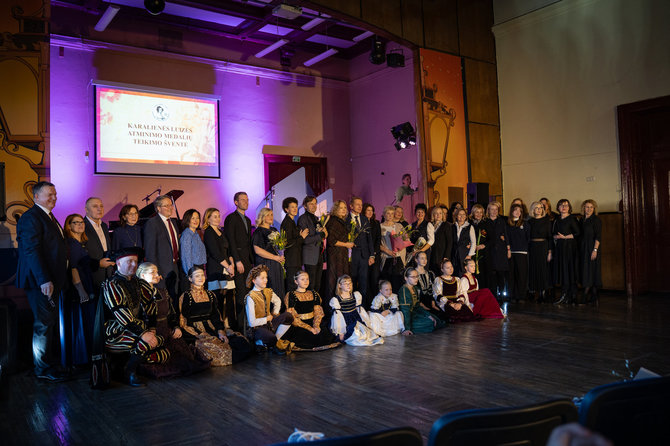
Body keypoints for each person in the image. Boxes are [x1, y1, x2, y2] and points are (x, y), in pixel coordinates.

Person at [16, 181, 69, 382]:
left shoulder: (48, 216)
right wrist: (44, 280)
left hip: (51, 281)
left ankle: (48, 364)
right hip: (41, 283)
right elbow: (31, 251)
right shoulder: (31, 217)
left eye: (55, 194)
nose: (54, 197)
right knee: (43, 326)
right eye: (49, 194)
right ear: (35, 197)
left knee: (48, 324)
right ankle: (42, 369)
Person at [102, 246, 169, 387]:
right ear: (119, 263)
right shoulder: (111, 284)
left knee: (163, 348)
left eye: (135, 261)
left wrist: (151, 329)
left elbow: (151, 307)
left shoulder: (140, 283)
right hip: (116, 331)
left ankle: (125, 363)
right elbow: (121, 314)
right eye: (129, 261)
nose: (133, 265)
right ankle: (129, 372)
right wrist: (144, 333)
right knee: (145, 343)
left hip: (137, 328)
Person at [136, 262, 211, 377]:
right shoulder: (138, 295)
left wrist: (176, 327)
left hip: (167, 329)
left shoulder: (163, 292)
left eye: (157, 272)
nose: (157, 275)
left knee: (185, 357)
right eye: (152, 272)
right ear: (142, 276)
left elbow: (172, 313)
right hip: (151, 332)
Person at [179, 265, 252, 365]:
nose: (201, 278)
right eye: (197, 276)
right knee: (213, 348)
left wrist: (221, 331)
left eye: (202, 275)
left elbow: (216, 315)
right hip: (194, 332)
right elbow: (183, 320)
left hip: (212, 328)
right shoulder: (186, 296)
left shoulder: (210, 295)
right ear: (190, 278)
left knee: (241, 342)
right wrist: (199, 334)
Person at [62, 213, 96, 366]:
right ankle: (80, 359)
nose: (81, 225)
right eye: (76, 223)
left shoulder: (78, 243)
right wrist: (81, 290)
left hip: (85, 284)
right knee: (80, 322)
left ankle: (83, 357)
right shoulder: (72, 244)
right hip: (78, 288)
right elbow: (73, 269)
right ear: (69, 226)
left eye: (82, 222)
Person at [244, 265, 295, 354]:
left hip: (269, 324)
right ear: (254, 281)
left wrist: (275, 313)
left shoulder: (268, 291)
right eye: (262, 278)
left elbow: (278, 301)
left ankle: (273, 341)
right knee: (270, 337)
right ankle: (262, 342)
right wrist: (266, 319)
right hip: (257, 329)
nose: (265, 280)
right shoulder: (251, 297)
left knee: (289, 316)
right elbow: (252, 322)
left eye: (266, 277)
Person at [284, 271, 340, 351]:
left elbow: (318, 312)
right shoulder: (291, 295)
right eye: (302, 279)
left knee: (324, 335)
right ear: (296, 281)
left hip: (313, 321)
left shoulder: (313, 293)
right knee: (305, 336)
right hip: (299, 324)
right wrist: (309, 328)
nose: (306, 281)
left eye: (307, 279)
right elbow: (292, 316)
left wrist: (316, 326)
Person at [224, 191, 254, 330]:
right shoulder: (231, 218)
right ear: (236, 202)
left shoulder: (247, 220)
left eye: (247, 200)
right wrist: (237, 260)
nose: (246, 202)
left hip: (247, 260)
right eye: (242, 200)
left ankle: (249, 323)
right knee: (241, 293)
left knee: (248, 292)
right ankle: (241, 327)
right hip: (239, 261)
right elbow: (231, 241)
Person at [202, 207, 236, 328]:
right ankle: (219, 327)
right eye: (214, 216)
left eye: (218, 216)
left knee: (229, 299)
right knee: (218, 300)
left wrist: (231, 265)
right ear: (208, 218)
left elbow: (229, 251)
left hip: (227, 268)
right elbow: (215, 253)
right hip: (216, 269)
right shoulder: (209, 232)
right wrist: (228, 267)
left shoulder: (221, 232)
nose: (218, 218)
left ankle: (228, 326)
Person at [143, 195, 181, 303]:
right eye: (166, 206)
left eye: (171, 205)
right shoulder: (152, 223)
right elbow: (150, 250)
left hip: (174, 267)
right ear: (158, 208)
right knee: (163, 301)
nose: (170, 208)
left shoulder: (173, 222)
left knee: (174, 297)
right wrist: (155, 271)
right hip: (161, 270)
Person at [329, 275, 383, 346]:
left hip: (356, 319)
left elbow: (361, 311)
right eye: (345, 283)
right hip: (345, 321)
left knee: (365, 333)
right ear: (339, 285)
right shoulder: (336, 300)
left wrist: (367, 324)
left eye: (350, 283)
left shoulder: (355, 296)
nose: (349, 285)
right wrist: (341, 332)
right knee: (355, 335)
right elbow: (337, 318)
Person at [252, 207, 285, 303]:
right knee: (270, 286)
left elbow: (279, 246)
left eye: (272, 215)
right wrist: (275, 257)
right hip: (266, 263)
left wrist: (281, 255)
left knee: (279, 286)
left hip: (276, 262)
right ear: (262, 217)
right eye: (268, 215)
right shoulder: (258, 231)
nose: (271, 217)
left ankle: (279, 310)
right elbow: (257, 250)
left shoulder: (274, 229)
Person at [346, 197, 375, 305]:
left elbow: (369, 239)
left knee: (363, 282)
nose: (360, 207)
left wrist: (372, 255)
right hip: (351, 255)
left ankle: (362, 307)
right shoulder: (345, 219)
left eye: (361, 205)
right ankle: (351, 305)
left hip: (364, 256)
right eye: (357, 204)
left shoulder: (364, 219)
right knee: (351, 281)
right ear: (351, 206)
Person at [84, 197, 115, 296]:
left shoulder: (104, 226)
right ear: (86, 209)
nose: (99, 209)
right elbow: (79, 254)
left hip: (107, 274)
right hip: (91, 275)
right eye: (95, 206)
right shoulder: (82, 226)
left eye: (101, 206)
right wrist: (97, 264)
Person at [398, 267, 443, 334]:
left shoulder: (415, 288)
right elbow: (405, 310)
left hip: (416, 313)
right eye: (413, 277)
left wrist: (428, 315)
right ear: (406, 278)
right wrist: (407, 329)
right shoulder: (404, 290)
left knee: (436, 319)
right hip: (408, 317)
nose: (416, 279)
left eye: (417, 276)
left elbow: (417, 306)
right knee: (430, 323)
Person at [553, 199, 580, 305]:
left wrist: (565, 237)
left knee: (571, 271)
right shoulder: (557, 220)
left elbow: (578, 233)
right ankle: (564, 295)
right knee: (563, 272)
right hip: (560, 248)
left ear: (569, 207)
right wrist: (557, 237)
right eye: (561, 205)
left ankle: (573, 296)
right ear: (558, 208)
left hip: (570, 248)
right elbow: (553, 234)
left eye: (566, 205)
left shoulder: (572, 219)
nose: (564, 207)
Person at [298, 196, 326, 294]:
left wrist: (324, 233)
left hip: (319, 254)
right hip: (310, 256)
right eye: (311, 204)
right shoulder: (302, 219)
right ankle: (309, 305)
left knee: (318, 284)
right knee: (311, 284)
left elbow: (323, 235)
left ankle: (316, 305)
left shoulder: (316, 218)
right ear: (305, 206)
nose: (314, 206)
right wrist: (320, 236)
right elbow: (305, 240)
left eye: (315, 203)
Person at [281, 197, 308, 292]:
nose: (295, 209)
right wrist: (302, 237)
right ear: (286, 209)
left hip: (295, 259)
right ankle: (290, 306)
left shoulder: (292, 221)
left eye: (296, 206)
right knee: (292, 285)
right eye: (292, 207)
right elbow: (288, 243)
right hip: (291, 260)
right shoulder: (287, 223)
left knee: (295, 285)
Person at [325, 200, 352, 297]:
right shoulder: (333, 221)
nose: (344, 210)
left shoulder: (342, 221)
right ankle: (334, 303)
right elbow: (332, 241)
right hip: (335, 255)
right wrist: (346, 245)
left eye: (345, 207)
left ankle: (343, 300)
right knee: (335, 279)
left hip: (342, 254)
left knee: (342, 278)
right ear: (336, 209)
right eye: (341, 208)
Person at [527, 201, 553, 302]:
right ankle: (535, 292)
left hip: (543, 247)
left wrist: (550, 252)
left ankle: (543, 292)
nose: (539, 209)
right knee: (534, 269)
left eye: (540, 207)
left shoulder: (547, 221)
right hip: (532, 247)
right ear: (533, 210)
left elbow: (550, 237)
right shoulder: (529, 222)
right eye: (536, 208)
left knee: (543, 269)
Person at [485, 201, 509, 301]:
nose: (494, 211)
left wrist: (508, 248)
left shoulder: (502, 221)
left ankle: (502, 294)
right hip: (490, 252)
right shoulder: (485, 222)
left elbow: (506, 235)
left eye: (496, 209)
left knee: (501, 274)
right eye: (492, 209)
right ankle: (494, 295)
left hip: (501, 251)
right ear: (488, 210)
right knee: (492, 275)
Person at [579, 199, 602, 304]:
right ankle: (593, 297)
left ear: (594, 209)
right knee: (586, 271)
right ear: (583, 208)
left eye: (591, 207)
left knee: (592, 271)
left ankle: (585, 296)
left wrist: (595, 250)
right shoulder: (581, 220)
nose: (589, 209)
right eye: (587, 207)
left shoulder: (596, 220)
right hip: (583, 249)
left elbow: (598, 237)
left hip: (592, 248)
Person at [379, 205, 406, 292]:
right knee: (387, 283)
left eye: (392, 214)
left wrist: (399, 248)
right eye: (388, 213)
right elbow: (376, 244)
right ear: (384, 214)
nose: (390, 215)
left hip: (398, 258)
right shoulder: (379, 227)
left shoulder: (399, 226)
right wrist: (387, 251)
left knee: (398, 282)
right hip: (386, 258)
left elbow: (406, 240)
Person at [507, 203, 530, 302]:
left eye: (519, 211)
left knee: (521, 275)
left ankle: (521, 296)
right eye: (515, 210)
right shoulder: (508, 224)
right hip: (511, 253)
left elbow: (528, 238)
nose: (517, 212)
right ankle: (512, 295)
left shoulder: (525, 224)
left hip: (522, 253)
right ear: (512, 211)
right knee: (512, 275)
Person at [179, 209, 207, 278]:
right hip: (192, 270)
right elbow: (186, 257)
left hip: (198, 268)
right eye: (193, 218)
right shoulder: (186, 234)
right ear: (187, 220)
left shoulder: (196, 233)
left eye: (197, 218)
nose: (196, 221)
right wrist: (190, 274)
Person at [363, 203, 382, 301]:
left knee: (374, 278)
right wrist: (368, 254)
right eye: (368, 210)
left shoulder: (376, 223)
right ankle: (367, 302)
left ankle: (376, 301)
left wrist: (373, 253)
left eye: (371, 210)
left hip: (375, 255)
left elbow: (378, 239)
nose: (370, 212)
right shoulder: (361, 223)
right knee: (365, 279)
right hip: (364, 256)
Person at [469, 203, 490, 288]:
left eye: (480, 212)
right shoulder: (469, 224)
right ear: (473, 213)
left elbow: (491, 238)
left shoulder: (486, 224)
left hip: (483, 253)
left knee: (483, 274)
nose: (478, 214)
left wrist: (484, 245)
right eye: (476, 212)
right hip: (472, 252)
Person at [429, 206, 453, 276]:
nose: (438, 215)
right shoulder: (430, 225)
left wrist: (446, 256)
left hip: (442, 254)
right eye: (436, 213)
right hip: (432, 254)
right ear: (433, 215)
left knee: (441, 274)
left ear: (442, 215)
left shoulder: (446, 225)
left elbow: (449, 242)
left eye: (440, 213)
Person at [453, 208, 476, 276]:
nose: (462, 216)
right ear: (456, 216)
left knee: (463, 273)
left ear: (466, 216)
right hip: (454, 254)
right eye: (460, 214)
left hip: (465, 254)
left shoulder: (469, 227)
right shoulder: (453, 226)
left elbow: (473, 242)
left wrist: (469, 255)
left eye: (463, 214)